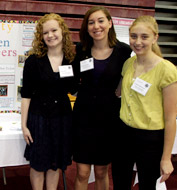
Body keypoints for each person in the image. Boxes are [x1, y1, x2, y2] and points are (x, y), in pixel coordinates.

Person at [112, 15, 177, 190]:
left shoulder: (167, 70)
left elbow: (171, 119)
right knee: (120, 183)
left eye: (144, 37)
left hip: (150, 139)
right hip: (123, 133)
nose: (138, 42)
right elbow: (119, 92)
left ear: (155, 37)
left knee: (147, 185)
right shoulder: (128, 63)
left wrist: (166, 158)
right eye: (134, 36)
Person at [71, 6, 132, 190]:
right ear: (86, 27)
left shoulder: (123, 51)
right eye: (91, 22)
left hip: (108, 120)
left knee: (101, 171)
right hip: (83, 117)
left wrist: (121, 87)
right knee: (82, 172)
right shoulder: (82, 49)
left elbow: (129, 75)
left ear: (110, 23)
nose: (96, 26)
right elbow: (72, 77)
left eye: (100, 21)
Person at [21, 13, 75, 190]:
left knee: (55, 163)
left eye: (54, 30)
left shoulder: (71, 60)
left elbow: (75, 89)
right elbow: (26, 96)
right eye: (45, 33)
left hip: (62, 118)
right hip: (39, 119)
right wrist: (24, 125)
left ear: (62, 31)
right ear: (41, 37)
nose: (50, 35)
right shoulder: (33, 61)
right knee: (38, 164)